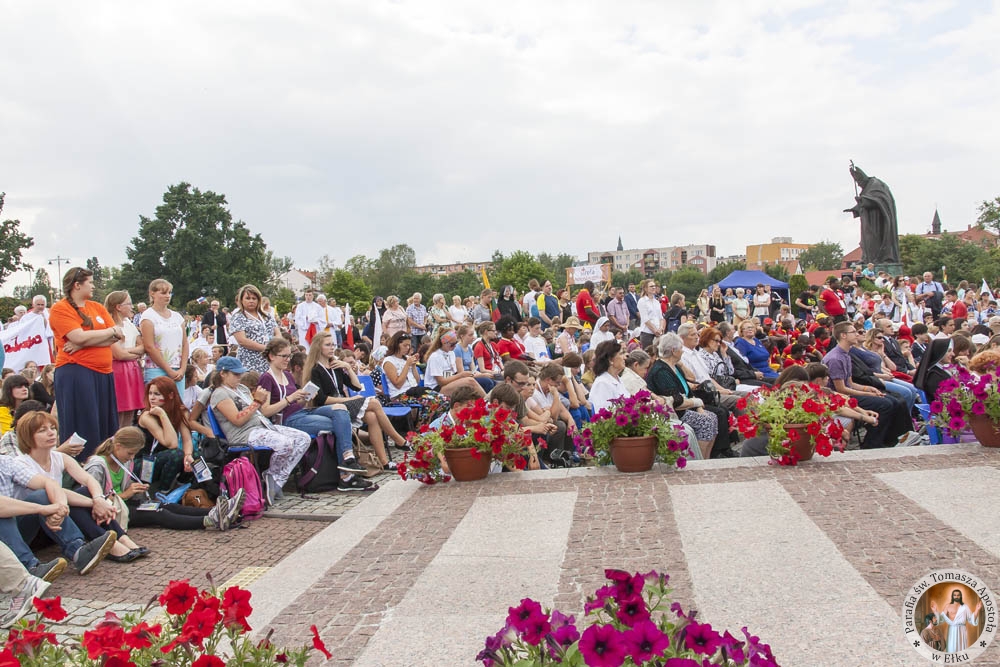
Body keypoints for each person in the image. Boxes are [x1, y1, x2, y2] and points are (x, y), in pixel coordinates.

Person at [84, 427, 241, 531]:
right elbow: (94, 500)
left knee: (167, 505)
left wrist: (135, 489)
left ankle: (218, 511)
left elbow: (122, 487)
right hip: (113, 511)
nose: (131, 458)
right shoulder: (97, 466)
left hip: (124, 504)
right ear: (117, 446)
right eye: (130, 453)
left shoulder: (123, 461)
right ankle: (210, 520)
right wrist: (127, 494)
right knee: (159, 514)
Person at [208, 356, 311, 505]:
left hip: (261, 426)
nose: (239, 377)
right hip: (244, 433)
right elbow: (237, 420)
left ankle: (276, 480)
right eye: (235, 374)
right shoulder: (220, 393)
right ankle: (272, 479)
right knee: (285, 444)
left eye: (240, 373)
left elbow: (258, 411)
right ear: (223, 374)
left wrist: (261, 402)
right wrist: (257, 401)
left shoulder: (242, 388)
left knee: (303, 438)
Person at [49, 267, 123, 458]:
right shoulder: (61, 308)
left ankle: (104, 464)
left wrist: (85, 342)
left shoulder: (97, 307)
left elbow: (117, 335)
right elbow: (78, 336)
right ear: (77, 285)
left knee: (105, 424)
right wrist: (108, 332)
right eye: (90, 282)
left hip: (103, 373)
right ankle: (80, 466)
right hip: (77, 371)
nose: (93, 285)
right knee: (84, 424)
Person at [822, 321, 910, 448]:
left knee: (894, 400)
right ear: (843, 335)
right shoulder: (835, 358)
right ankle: (872, 443)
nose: (856, 335)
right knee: (885, 404)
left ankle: (892, 438)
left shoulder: (846, 355)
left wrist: (868, 388)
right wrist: (867, 393)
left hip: (847, 393)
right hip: (839, 398)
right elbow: (841, 389)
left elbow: (850, 383)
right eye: (853, 332)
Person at [646, 333, 723, 460]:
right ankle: (699, 461)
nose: (682, 351)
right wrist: (697, 403)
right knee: (706, 422)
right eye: (681, 348)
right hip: (674, 412)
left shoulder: (674, 366)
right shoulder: (661, 371)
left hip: (686, 406)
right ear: (673, 350)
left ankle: (707, 459)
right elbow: (676, 401)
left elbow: (689, 386)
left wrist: (699, 407)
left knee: (713, 417)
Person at [135, 377, 193, 493]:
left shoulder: (180, 411)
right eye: (150, 393)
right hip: (143, 463)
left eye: (157, 394)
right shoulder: (147, 416)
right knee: (176, 454)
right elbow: (172, 444)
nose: (152, 398)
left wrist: (188, 455)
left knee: (194, 457)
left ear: (170, 395)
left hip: (163, 457)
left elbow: (187, 440)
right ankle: (162, 493)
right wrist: (162, 414)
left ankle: (182, 488)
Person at [380, 332, 449, 427]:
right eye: (405, 345)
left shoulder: (407, 359)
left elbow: (417, 381)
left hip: (413, 391)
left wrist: (413, 366)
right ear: (396, 344)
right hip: (399, 395)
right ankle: (421, 427)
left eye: (409, 345)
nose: (407, 348)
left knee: (445, 400)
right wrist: (407, 365)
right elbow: (398, 384)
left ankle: (433, 426)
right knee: (432, 402)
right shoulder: (389, 361)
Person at [843, 164, 900, 265]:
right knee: (866, 241)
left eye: (859, 182)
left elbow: (880, 199)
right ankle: (867, 259)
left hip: (879, 221)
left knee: (875, 240)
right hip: (868, 220)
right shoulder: (867, 187)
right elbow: (864, 203)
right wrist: (855, 208)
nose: (859, 185)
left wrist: (863, 200)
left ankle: (882, 259)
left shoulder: (876, 184)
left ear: (863, 178)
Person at [104, 291, 146, 428]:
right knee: (119, 412)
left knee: (130, 412)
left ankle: (127, 437)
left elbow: (142, 346)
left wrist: (128, 352)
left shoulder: (129, 323)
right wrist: (135, 353)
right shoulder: (110, 326)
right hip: (118, 371)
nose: (132, 307)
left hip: (132, 370)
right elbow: (118, 355)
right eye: (129, 303)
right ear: (118, 307)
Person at [139, 279, 188, 392]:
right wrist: (168, 370)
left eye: (169, 293)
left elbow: (185, 343)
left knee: (177, 402)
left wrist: (183, 369)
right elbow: (149, 346)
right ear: (152, 293)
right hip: (156, 369)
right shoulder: (148, 316)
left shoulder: (177, 316)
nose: (167, 296)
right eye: (163, 293)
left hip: (178, 369)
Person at [229, 284, 280, 374]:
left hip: (270, 360)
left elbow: (277, 333)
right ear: (241, 300)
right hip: (249, 362)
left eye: (254, 298)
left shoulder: (267, 316)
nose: (251, 301)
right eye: (248, 298)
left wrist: (276, 347)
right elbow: (242, 340)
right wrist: (266, 349)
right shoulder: (238, 317)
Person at [424, 330, 488, 399]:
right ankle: (487, 401)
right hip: (435, 389)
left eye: (456, 343)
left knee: (472, 383)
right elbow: (441, 382)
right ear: (444, 342)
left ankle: (482, 402)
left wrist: (465, 375)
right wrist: (461, 375)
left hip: (446, 384)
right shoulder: (435, 357)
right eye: (452, 344)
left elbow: (452, 374)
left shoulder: (451, 353)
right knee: (470, 381)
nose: (455, 346)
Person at [588, 341, 628, 413]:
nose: (625, 357)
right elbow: (604, 414)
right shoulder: (602, 384)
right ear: (610, 360)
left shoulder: (617, 379)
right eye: (621, 354)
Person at [913, 338, 954, 403]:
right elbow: (942, 399)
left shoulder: (939, 370)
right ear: (940, 352)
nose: (953, 354)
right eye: (949, 351)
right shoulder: (934, 375)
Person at [637, 279, 664, 349]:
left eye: (654, 286)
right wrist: (655, 330)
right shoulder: (642, 301)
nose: (654, 287)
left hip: (658, 332)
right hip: (647, 333)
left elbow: (661, 317)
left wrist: (661, 328)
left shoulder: (656, 302)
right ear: (646, 288)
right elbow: (645, 319)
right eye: (651, 286)